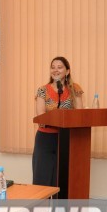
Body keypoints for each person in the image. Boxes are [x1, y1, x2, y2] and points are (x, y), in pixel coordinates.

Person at [32, 56, 84, 186]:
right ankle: (41, 206)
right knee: (42, 179)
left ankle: (60, 206)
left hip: (66, 138)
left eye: (59, 67)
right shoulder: (42, 90)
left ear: (67, 71)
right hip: (45, 138)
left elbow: (79, 114)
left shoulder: (75, 89)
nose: (55, 70)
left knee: (62, 180)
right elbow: (41, 116)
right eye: (53, 67)